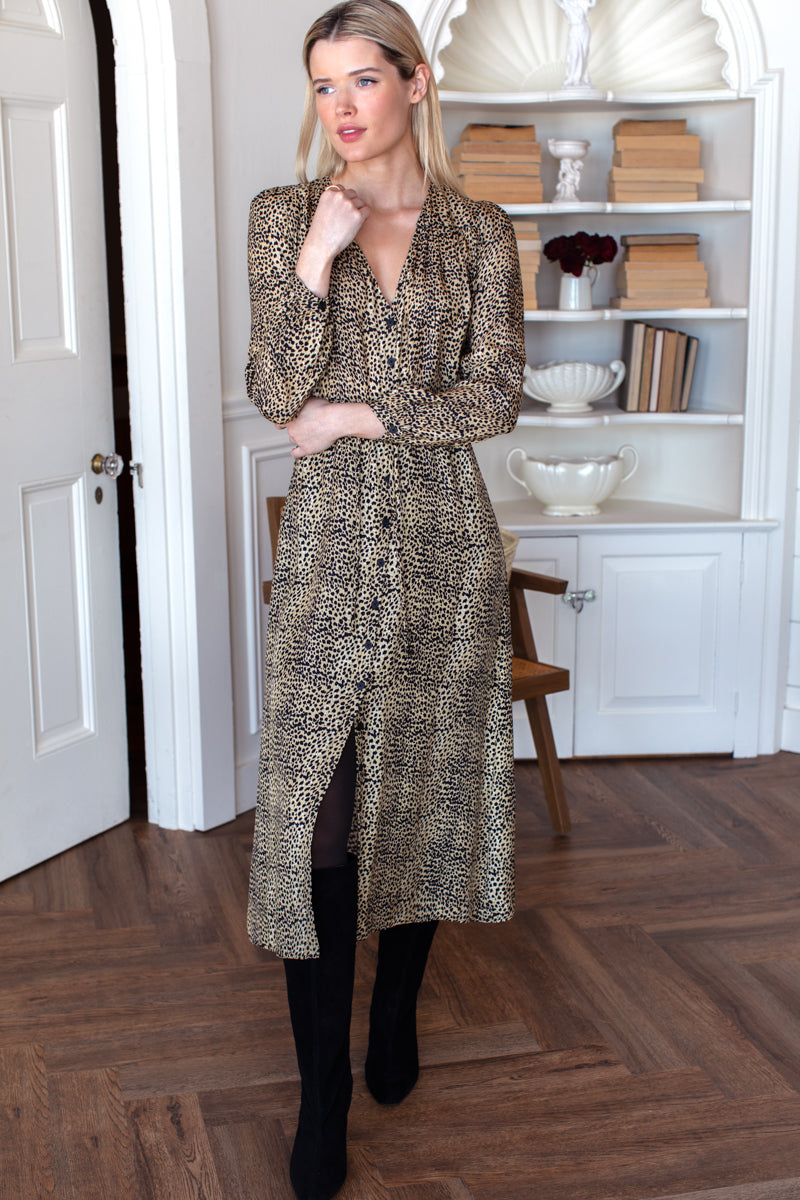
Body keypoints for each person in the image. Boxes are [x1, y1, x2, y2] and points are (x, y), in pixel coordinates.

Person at [245, 3, 524, 1197]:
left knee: (419, 788)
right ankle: (320, 1097)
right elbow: (275, 390)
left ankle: (395, 1010)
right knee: (316, 811)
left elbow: (494, 395)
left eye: (363, 78)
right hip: (328, 555)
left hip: (446, 550)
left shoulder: (478, 231)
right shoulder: (284, 215)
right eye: (323, 86)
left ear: (414, 81)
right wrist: (315, 258)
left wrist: (356, 414)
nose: (342, 106)